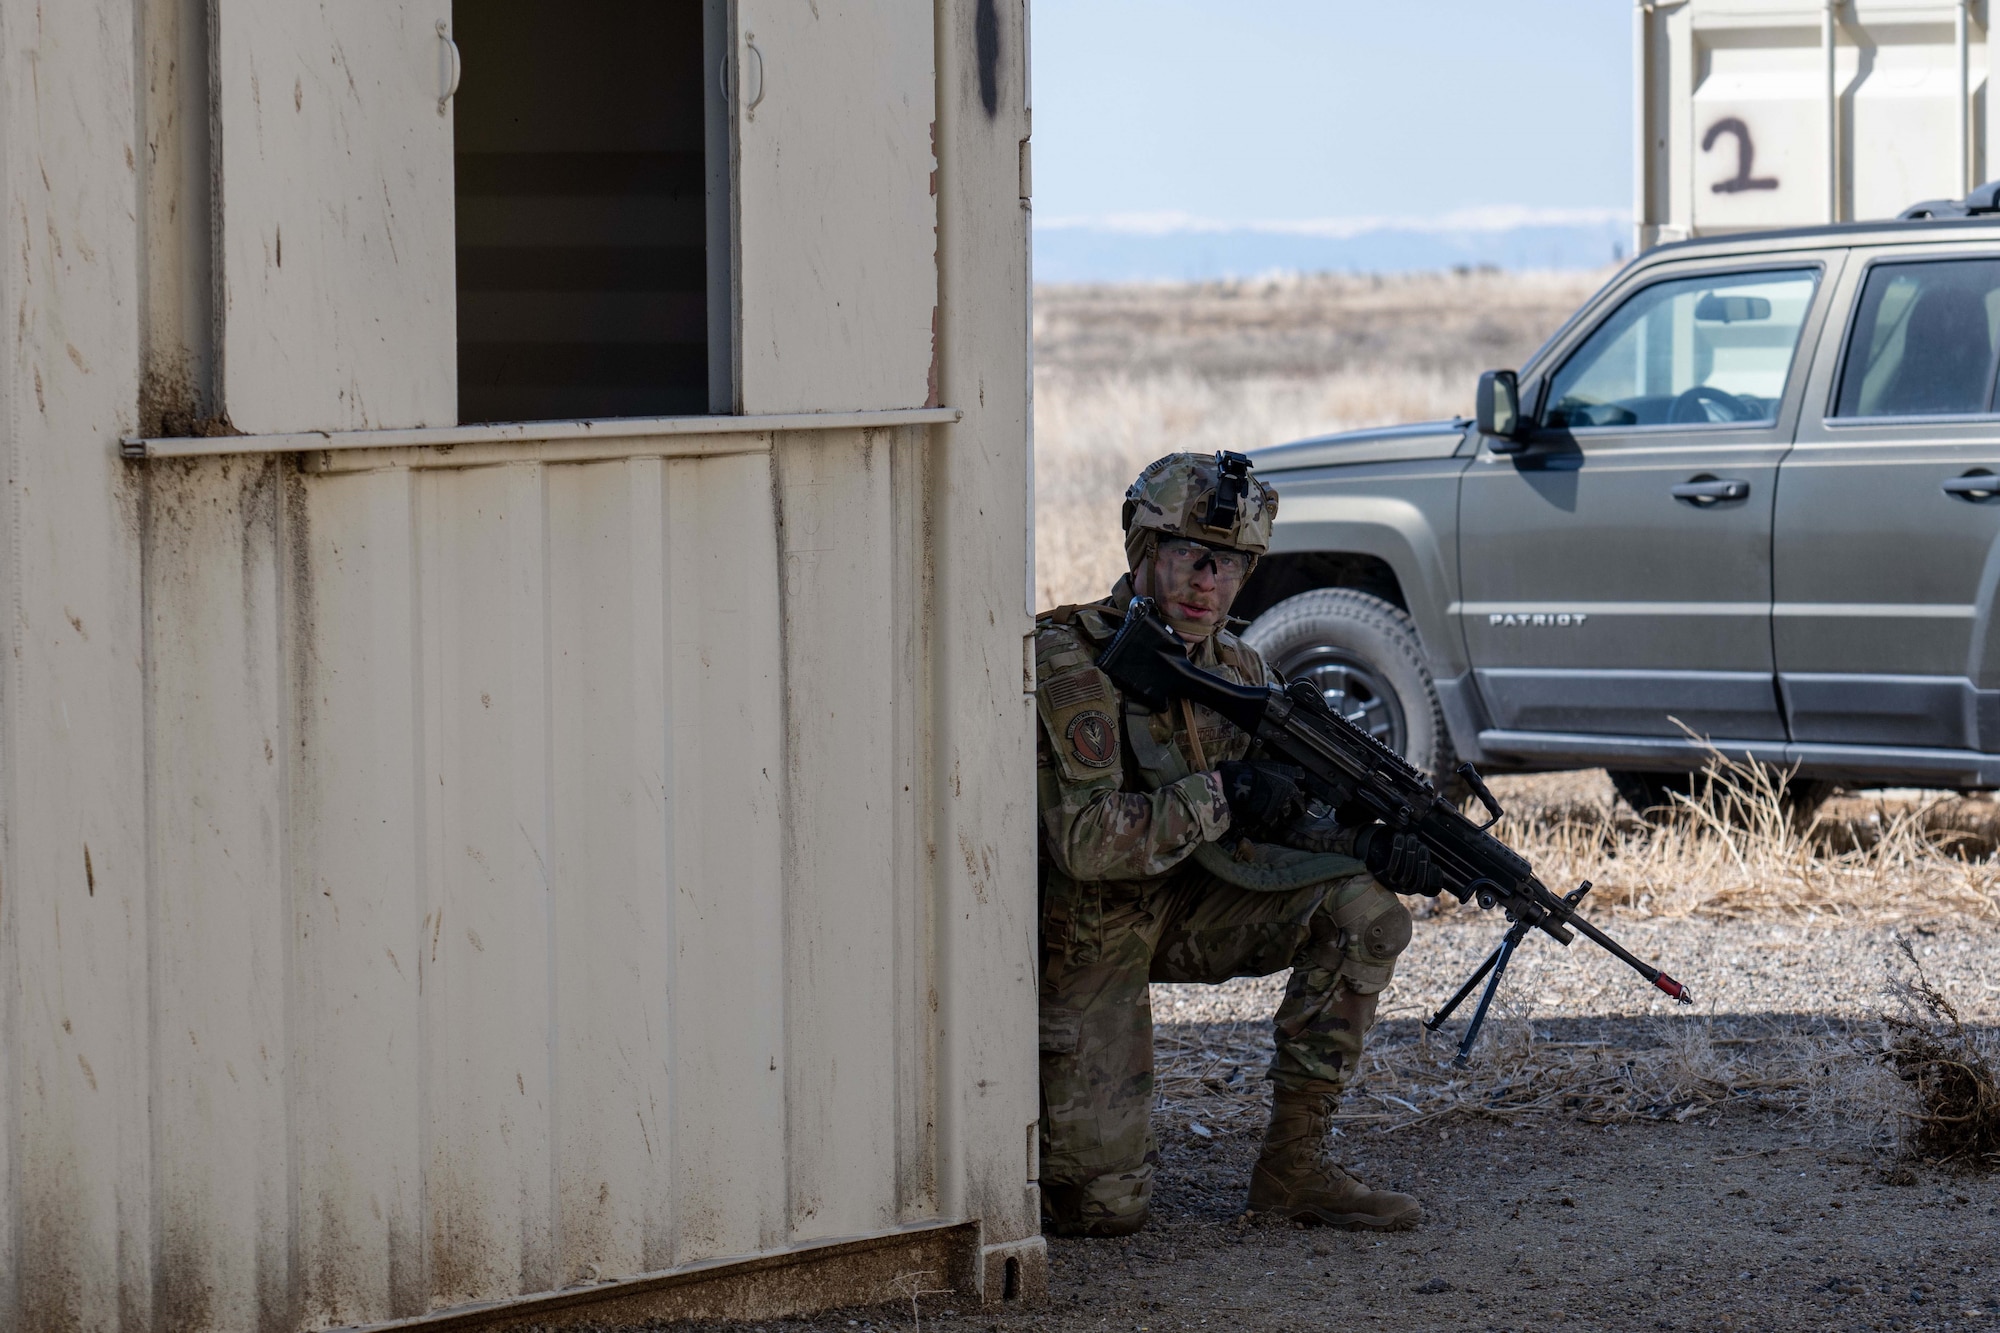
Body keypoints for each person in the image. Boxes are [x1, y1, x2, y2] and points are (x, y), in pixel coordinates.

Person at [1034, 450, 1442, 1238]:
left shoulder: (1240, 666)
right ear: (1144, 551)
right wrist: (1222, 794)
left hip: (1193, 901)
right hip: (1084, 929)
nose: (1207, 584)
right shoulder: (1072, 664)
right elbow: (1085, 844)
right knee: (1102, 1213)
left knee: (1366, 913)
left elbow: (1277, 819)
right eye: (1192, 557)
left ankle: (1294, 1169)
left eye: (1231, 567)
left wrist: (1362, 843)